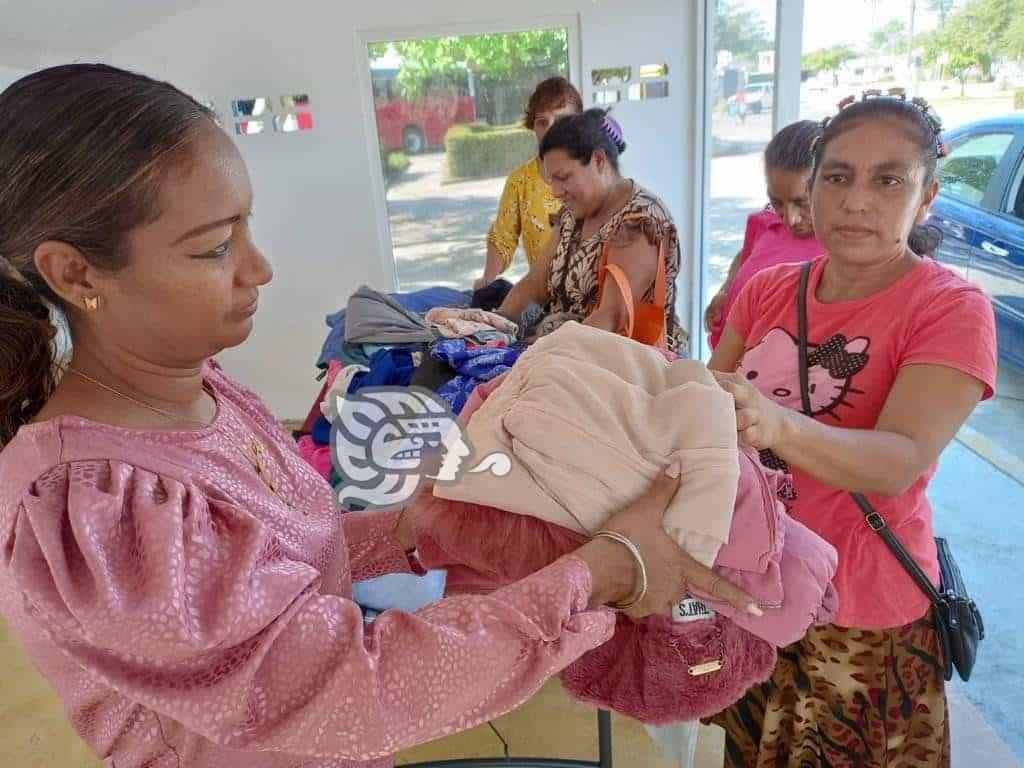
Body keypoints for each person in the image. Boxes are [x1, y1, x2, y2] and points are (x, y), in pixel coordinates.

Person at [0, 64, 759, 768]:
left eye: (247, 229)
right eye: (214, 248)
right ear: (75, 272)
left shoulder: (201, 392)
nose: (259, 268)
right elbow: (338, 688)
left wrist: (421, 525)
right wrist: (599, 575)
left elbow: (293, 560)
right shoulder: (94, 505)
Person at [707, 93, 998, 767]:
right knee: (753, 753)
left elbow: (898, 459)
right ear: (812, 187)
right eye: (837, 176)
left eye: (887, 179)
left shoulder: (950, 308)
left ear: (927, 197)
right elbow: (709, 402)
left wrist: (774, 420)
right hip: (757, 589)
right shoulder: (770, 289)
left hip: (863, 613)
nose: (855, 200)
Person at [497, 108, 687, 352]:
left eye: (563, 177)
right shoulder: (573, 215)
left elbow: (611, 317)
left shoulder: (642, 221)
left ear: (599, 161)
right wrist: (498, 328)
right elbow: (538, 284)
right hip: (564, 353)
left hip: (619, 367)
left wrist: (542, 352)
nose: (555, 191)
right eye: (551, 180)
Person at [705, 120, 824, 349]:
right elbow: (745, 256)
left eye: (802, 203)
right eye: (777, 201)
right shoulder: (768, 223)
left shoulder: (836, 247)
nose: (790, 218)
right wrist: (726, 291)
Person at [474, 76, 583, 290]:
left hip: (591, 302)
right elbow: (503, 238)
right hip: (540, 299)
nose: (551, 130)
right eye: (542, 122)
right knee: (506, 314)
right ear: (533, 127)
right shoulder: (520, 181)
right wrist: (486, 280)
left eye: (561, 120)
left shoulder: (591, 177)